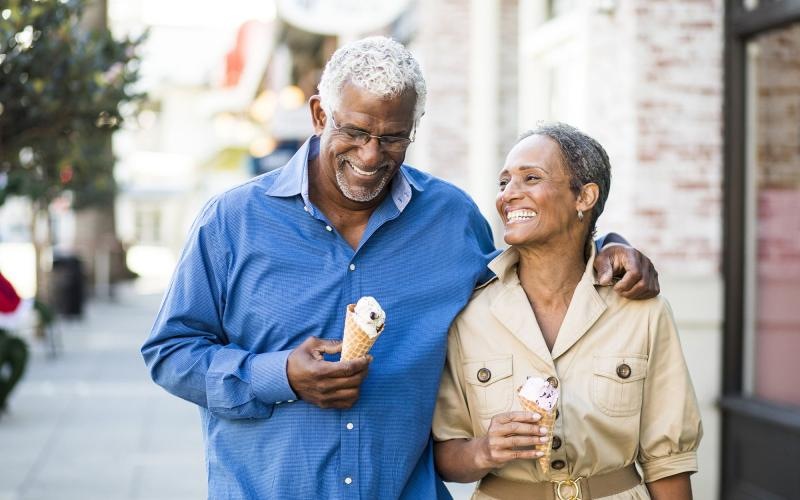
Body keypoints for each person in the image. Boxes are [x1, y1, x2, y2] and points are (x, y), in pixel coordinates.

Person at [142, 37, 660, 499]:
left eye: (393, 138)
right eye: (355, 131)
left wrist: (605, 246)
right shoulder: (234, 221)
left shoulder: (450, 219)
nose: (371, 156)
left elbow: (530, 277)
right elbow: (169, 352)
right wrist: (279, 375)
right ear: (320, 115)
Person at [433, 123, 702, 499]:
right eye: (504, 182)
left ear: (584, 197)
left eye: (531, 178)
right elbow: (445, 452)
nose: (509, 194)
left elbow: (668, 463)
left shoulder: (642, 311)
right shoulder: (469, 314)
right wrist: (485, 450)